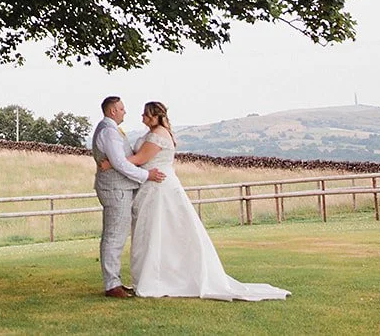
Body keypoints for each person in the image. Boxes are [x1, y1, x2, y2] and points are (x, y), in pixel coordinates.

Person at [102, 101, 290, 300]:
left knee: (158, 231)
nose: (142, 117)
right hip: (152, 185)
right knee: (153, 232)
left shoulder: (157, 135)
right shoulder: (154, 134)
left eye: (146, 115)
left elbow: (140, 159)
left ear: (156, 116)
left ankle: (160, 279)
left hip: (159, 186)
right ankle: (154, 277)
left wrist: (112, 164)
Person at [91, 95, 166, 297]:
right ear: (112, 111)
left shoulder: (111, 130)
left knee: (117, 235)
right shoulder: (109, 132)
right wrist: (146, 175)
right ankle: (111, 285)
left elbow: (120, 160)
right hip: (116, 190)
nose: (125, 112)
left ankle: (114, 281)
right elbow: (121, 164)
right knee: (114, 236)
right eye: (122, 109)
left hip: (119, 189)